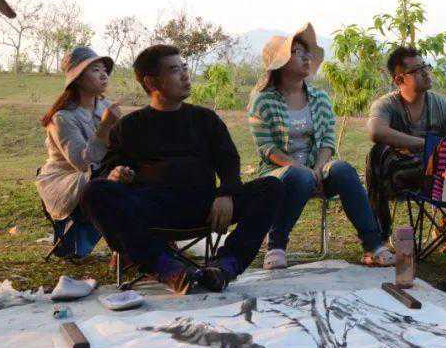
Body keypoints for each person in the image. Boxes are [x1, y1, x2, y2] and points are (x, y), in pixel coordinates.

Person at [81, 45, 282, 294]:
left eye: (184, 67)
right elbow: (110, 170)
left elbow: (229, 163)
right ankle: (167, 268)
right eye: (175, 70)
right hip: (153, 208)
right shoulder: (130, 126)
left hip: (206, 207)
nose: (186, 75)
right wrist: (117, 175)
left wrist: (226, 193)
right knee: (94, 191)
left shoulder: (205, 119)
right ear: (151, 82)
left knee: (271, 187)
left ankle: (225, 267)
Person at [248, 25, 394, 269]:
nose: (306, 57)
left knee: (343, 170)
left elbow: (327, 140)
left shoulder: (320, 98)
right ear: (280, 63)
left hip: (316, 170)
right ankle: (276, 246)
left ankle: (373, 245)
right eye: (297, 52)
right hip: (279, 174)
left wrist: (317, 168)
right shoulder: (263, 101)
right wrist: (300, 169)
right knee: (300, 176)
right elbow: (267, 148)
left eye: (307, 52)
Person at [366, 46, 446, 241]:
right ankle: (378, 233)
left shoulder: (442, 106)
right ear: (399, 80)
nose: (426, 72)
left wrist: (434, 153)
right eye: (417, 70)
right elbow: (375, 131)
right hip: (400, 174)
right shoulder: (386, 104)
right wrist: (424, 144)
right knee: (376, 154)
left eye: (425, 66)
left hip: (437, 173)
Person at [36, 47, 119, 259]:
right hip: (68, 180)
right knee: (109, 177)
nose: (104, 75)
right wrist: (105, 126)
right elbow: (83, 163)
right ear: (78, 79)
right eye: (95, 70)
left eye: (104, 70)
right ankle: (126, 245)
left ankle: (147, 239)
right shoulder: (62, 118)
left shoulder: (106, 107)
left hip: (103, 173)